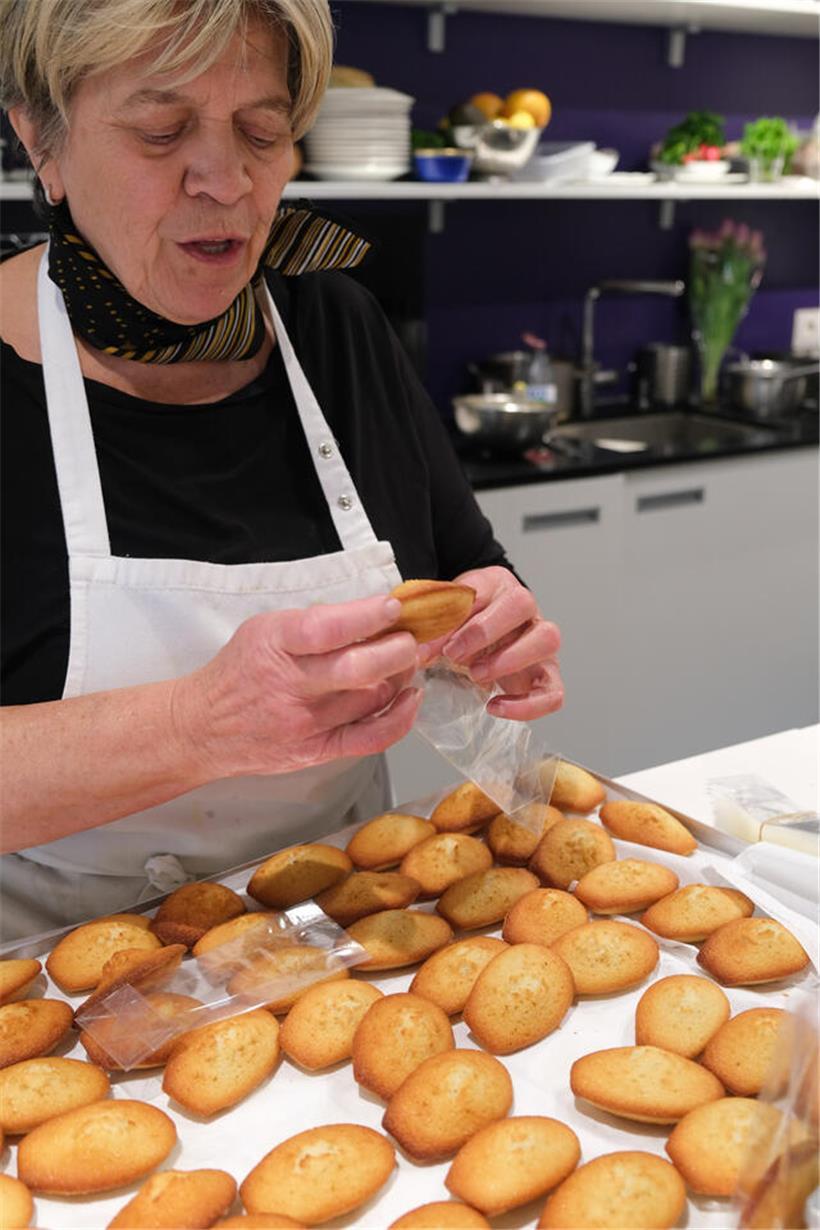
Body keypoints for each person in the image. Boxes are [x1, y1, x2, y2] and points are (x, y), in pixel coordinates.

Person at [0, 0, 563, 941]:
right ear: (41, 141)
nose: (226, 180)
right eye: (161, 129)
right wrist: (196, 725)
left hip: (339, 946)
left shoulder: (337, 325)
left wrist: (494, 629)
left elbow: (466, 569)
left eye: (263, 130)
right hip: (48, 985)